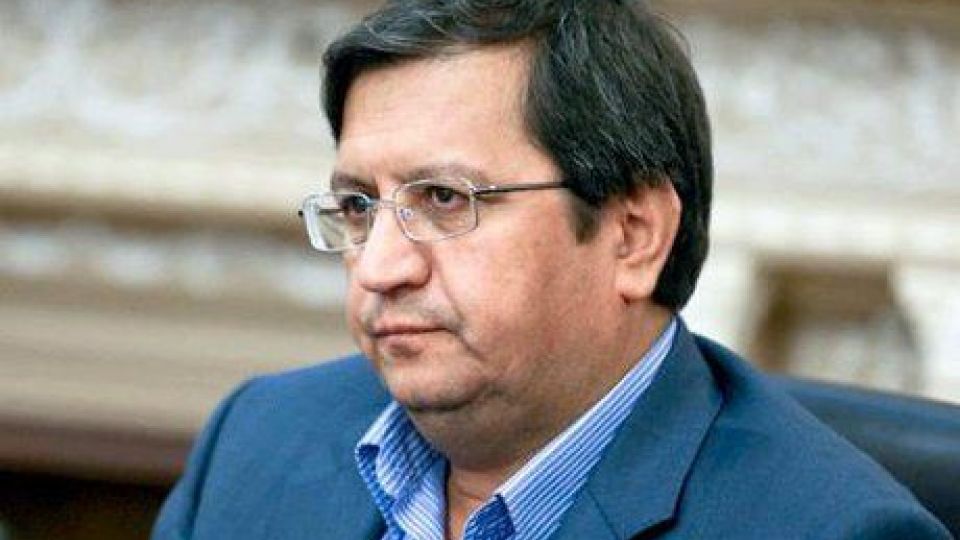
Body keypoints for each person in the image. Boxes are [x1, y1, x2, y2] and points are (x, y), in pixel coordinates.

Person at [153, 1, 952, 539]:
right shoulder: (256, 438)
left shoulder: (833, 530)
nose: (380, 268)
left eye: (444, 199)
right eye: (360, 207)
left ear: (633, 236)